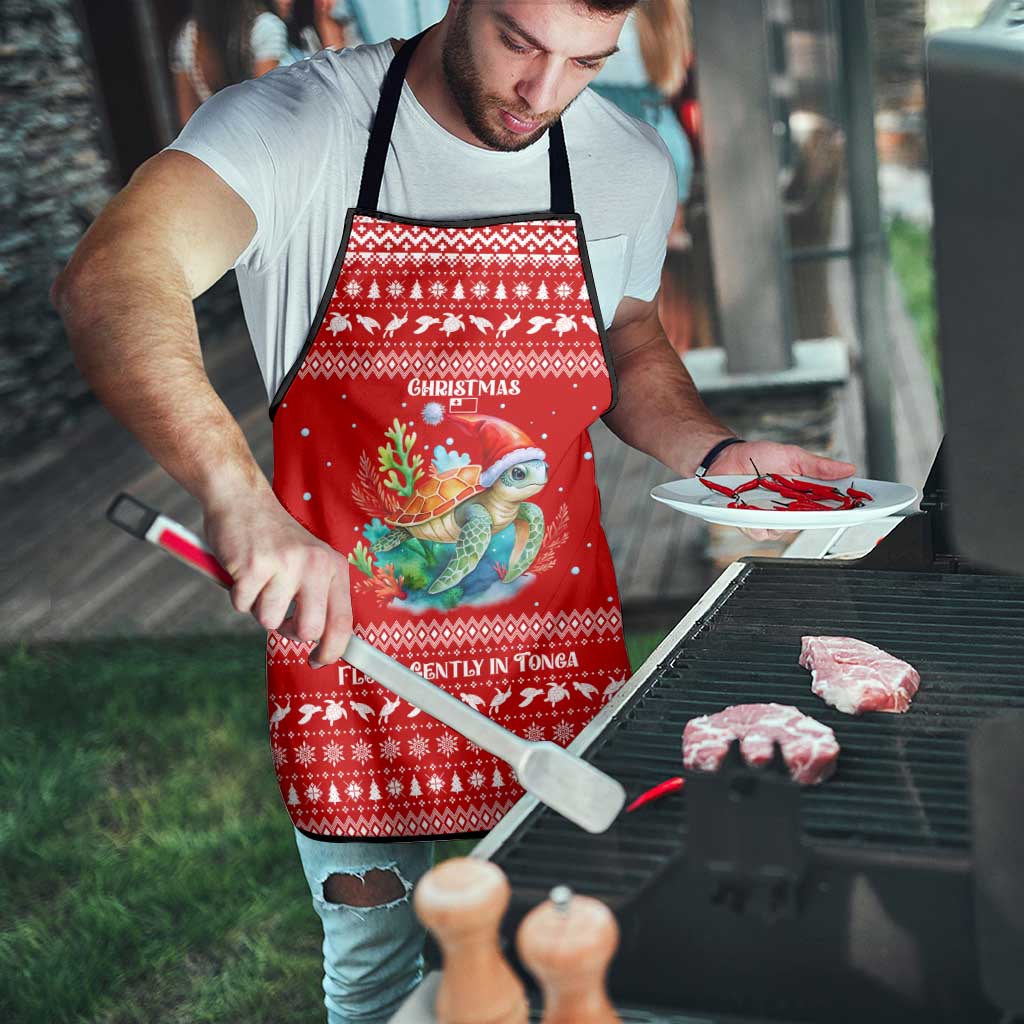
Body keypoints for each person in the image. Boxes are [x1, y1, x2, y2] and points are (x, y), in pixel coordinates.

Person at [53, 2, 855, 1020]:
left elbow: (629, 338)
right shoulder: (298, 126)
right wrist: (236, 496)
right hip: (352, 665)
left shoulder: (625, 160)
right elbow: (113, 276)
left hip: (556, 653)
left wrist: (717, 448)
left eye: (585, 62)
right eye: (520, 42)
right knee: (381, 978)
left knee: (581, 954)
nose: (543, 93)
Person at [170, 0, 289, 126]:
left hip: (215, 139)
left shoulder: (188, 37)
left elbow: (188, 121)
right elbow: (266, 107)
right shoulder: (266, 27)